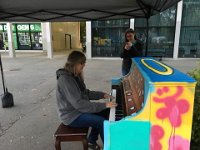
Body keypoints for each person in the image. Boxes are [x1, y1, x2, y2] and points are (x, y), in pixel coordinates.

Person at [56, 51, 117, 150]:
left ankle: (91, 141)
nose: (84, 66)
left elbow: (86, 93)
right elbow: (79, 104)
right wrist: (104, 105)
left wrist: (102, 95)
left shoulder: (74, 76)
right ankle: (109, 147)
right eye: (83, 63)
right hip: (71, 116)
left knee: (105, 112)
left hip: (77, 110)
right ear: (76, 63)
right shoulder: (65, 80)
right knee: (102, 122)